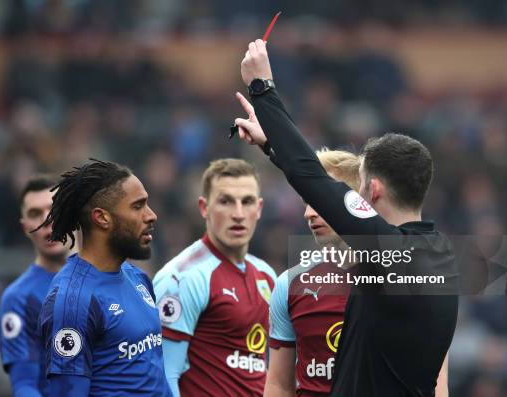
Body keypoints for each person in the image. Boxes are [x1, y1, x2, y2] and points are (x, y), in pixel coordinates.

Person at [234, 39, 458, 396]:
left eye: (361, 183)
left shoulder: (389, 253)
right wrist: (271, 146)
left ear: (374, 191)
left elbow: (312, 178)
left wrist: (263, 88)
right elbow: (316, 183)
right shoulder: (439, 251)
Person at [35, 159, 171, 397]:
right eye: (138, 206)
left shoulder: (137, 277)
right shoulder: (72, 301)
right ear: (102, 218)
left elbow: (156, 379)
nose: (151, 216)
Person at [153, 158, 277, 397]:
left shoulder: (267, 276)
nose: (238, 214)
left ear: (259, 209)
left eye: (247, 202)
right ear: (203, 207)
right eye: (226, 201)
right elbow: (164, 374)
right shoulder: (181, 278)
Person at [265, 149, 359, 397]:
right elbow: (278, 385)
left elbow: (432, 380)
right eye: (307, 202)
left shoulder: (399, 277)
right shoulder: (290, 284)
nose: (308, 213)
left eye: (319, 200)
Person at [0, 174, 70, 397]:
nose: (48, 224)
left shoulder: (110, 277)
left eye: (53, 209)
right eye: (35, 214)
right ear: (25, 227)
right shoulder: (19, 298)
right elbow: (24, 385)